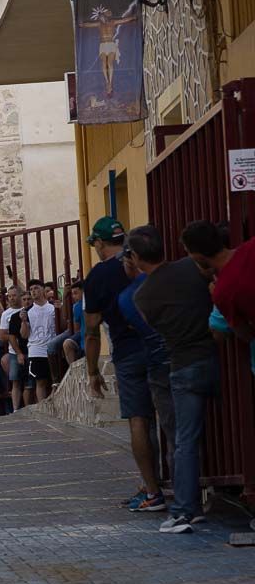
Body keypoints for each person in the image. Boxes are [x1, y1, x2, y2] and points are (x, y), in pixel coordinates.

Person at [131, 225, 218, 535]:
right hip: (215, 353)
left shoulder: (142, 297)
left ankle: (184, 510)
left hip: (183, 364)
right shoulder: (191, 267)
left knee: (185, 441)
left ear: (137, 257)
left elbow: (155, 327)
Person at [81, 217, 163, 512]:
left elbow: (91, 330)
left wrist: (92, 372)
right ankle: (171, 483)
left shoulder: (97, 277)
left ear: (99, 243)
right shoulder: (141, 259)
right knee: (168, 415)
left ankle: (153, 491)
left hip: (128, 352)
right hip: (162, 344)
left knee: (138, 418)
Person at [116, 244, 175, 514]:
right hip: (179, 353)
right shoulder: (173, 276)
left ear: (133, 260)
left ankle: (173, 495)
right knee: (176, 427)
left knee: (155, 423)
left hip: (156, 359)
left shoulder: (128, 297)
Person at [182, 220, 254, 344]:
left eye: (188, 252)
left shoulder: (222, 292)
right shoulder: (252, 245)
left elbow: (245, 334)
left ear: (198, 256)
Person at [20, 278, 56, 401]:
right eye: (31, 289)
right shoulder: (28, 311)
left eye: (36, 288)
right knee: (40, 381)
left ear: (42, 290)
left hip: (52, 348)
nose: (33, 291)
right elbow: (24, 335)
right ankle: (42, 405)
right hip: (36, 350)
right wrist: (24, 322)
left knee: (54, 380)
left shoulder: (52, 308)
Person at [59, 281, 85, 365]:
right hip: (82, 333)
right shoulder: (76, 307)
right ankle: (73, 369)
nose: (73, 296)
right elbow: (77, 329)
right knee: (67, 343)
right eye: (72, 294)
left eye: (76, 293)